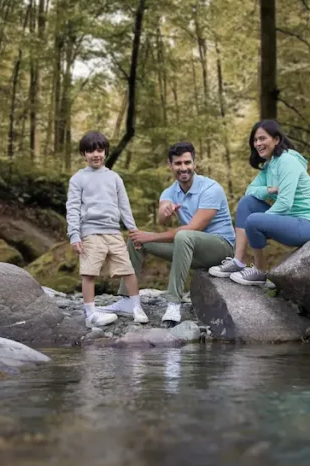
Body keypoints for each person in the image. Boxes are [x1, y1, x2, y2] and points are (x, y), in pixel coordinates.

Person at [99, 141, 236, 325]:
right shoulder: (170, 191)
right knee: (136, 239)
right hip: (189, 249)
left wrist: (152, 236)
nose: (183, 168)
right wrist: (164, 211)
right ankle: (127, 299)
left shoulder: (211, 189)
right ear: (170, 166)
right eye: (178, 163)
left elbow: (194, 228)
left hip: (220, 249)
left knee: (182, 235)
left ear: (194, 164)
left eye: (187, 163)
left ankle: (173, 303)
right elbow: (162, 217)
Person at [208, 120, 310, 286]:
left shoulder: (287, 161)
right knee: (246, 203)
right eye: (255, 140)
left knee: (254, 220)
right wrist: (268, 190)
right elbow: (250, 190)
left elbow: (285, 203)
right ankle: (238, 261)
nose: (258, 144)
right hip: (290, 219)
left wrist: (261, 224)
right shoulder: (270, 165)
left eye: (262, 139)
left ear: (276, 140)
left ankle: (260, 271)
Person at [65, 131, 148, 327]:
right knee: (89, 272)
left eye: (100, 150)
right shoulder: (78, 179)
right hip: (90, 232)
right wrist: (74, 235)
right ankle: (91, 312)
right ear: (84, 154)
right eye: (90, 151)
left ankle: (135, 306)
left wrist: (133, 230)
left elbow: (124, 205)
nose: (96, 154)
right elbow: (73, 207)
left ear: (105, 152)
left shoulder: (114, 178)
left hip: (113, 232)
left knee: (127, 269)